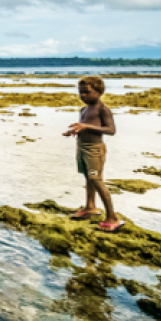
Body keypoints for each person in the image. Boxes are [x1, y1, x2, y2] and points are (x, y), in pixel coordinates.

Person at [64, 76, 123, 232]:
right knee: (88, 178)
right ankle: (90, 208)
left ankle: (112, 217)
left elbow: (111, 130)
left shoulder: (103, 109)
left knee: (96, 180)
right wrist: (74, 131)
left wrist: (86, 126)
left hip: (94, 149)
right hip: (82, 147)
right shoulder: (83, 109)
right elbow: (85, 127)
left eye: (87, 92)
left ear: (99, 92)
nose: (83, 96)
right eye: (80, 93)